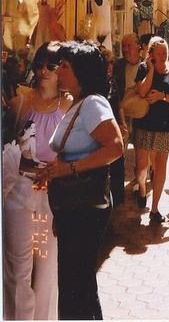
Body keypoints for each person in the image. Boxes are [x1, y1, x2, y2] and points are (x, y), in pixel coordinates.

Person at [36, 40, 123, 320]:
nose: (58, 71)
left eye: (65, 66)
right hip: (73, 206)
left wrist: (69, 169)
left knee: (78, 284)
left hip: (84, 206)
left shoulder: (93, 104)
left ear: (81, 71)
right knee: (77, 284)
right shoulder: (77, 103)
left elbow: (116, 147)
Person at [3, 42, 72, 320]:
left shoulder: (69, 105)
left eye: (52, 65)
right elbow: (7, 149)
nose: (44, 70)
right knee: (17, 269)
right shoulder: (20, 101)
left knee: (45, 270)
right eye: (41, 63)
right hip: (19, 192)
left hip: (52, 198)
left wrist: (55, 171)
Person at [133, 36, 169, 223]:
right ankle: (142, 188)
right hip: (144, 124)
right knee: (141, 167)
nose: (163, 56)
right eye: (159, 53)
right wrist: (152, 69)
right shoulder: (144, 68)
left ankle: (154, 209)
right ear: (152, 54)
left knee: (160, 167)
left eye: (166, 53)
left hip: (164, 126)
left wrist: (163, 96)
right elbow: (141, 91)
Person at [113, 33, 147, 192]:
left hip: (142, 113)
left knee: (142, 150)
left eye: (128, 46)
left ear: (138, 47)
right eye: (123, 46)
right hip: (123, 113)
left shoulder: (146, 65)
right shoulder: (118, 65)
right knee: (121, 149)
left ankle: (141, 182)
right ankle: (118, 186)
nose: (125, 49)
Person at [100, 47, 127, 205]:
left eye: (112, 62)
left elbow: (118, 104)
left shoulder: (112, 81)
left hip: (116, 125)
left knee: (117, 164)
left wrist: (122, 123)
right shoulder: (97, 84)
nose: (110, 66)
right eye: (107, 63)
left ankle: (115, 201)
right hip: (104, 128)